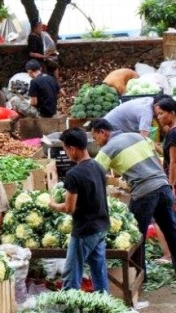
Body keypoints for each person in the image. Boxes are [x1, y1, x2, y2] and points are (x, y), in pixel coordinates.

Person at [91, 118, 176, 274]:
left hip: (144, 193)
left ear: (102, 132)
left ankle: (138, 277)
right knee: (172, 231)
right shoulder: (138, 136)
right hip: (164, 187)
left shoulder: (107, 149)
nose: (96, 143)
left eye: (95, 138)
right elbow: (157, 160)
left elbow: (93, 175)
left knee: (136, 237)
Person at [48, 128, 110, 292]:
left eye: (65, 149)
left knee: (72, 274)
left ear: (73, 149)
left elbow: (69, 208)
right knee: (99, 272)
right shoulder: (98, 166)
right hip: (101, 226)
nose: (66, 153)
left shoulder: (73, 174)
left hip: (85, 229)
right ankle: (104, 304)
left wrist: (53, 205)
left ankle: (69, 306)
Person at [154, 97, 176, 263]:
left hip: (173, 181)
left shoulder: (173, 133)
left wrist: (171, 184)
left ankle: (169, 255)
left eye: (161, 114)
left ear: (172, 113)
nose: (159, 117)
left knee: (164, 218)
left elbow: (174, 161)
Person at [105, 94, 172, 137]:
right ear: (156, 106)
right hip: (110, 127)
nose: (160, 117)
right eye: (160, 113)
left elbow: (163, 125)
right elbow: (144, 138)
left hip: (124, 126)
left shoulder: (152, 101)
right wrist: (162, 151)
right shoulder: (146, 112)